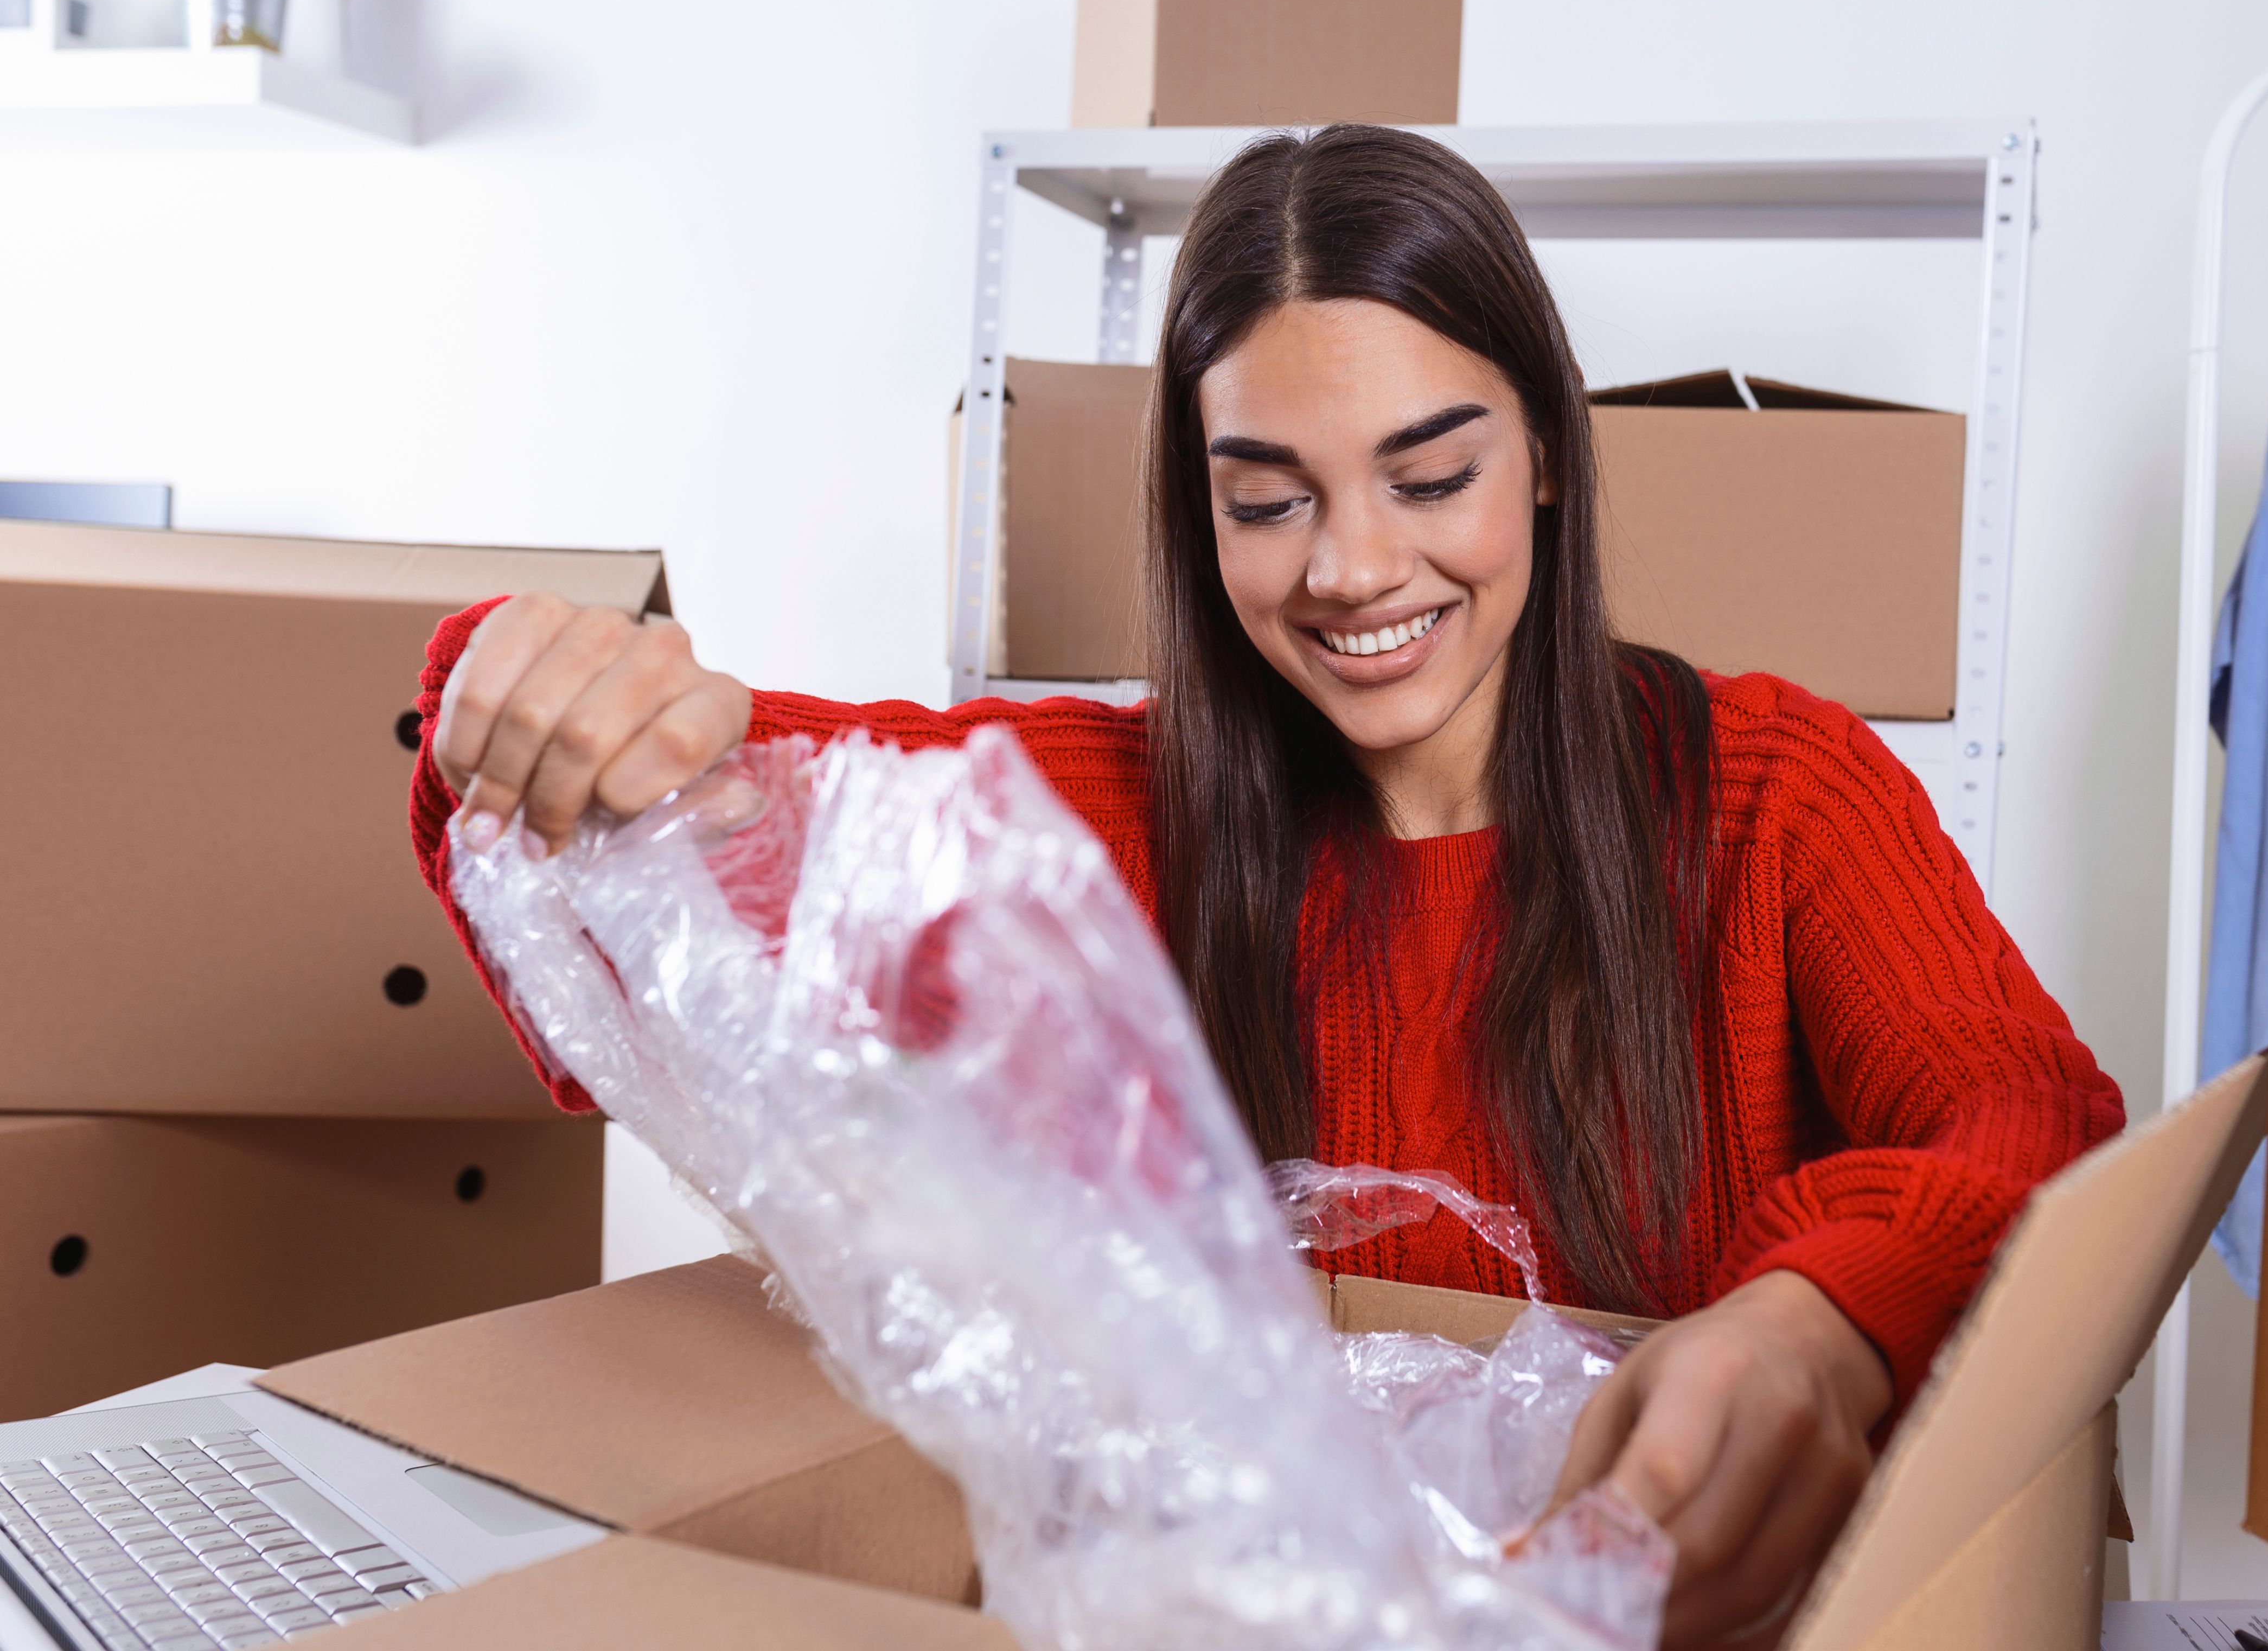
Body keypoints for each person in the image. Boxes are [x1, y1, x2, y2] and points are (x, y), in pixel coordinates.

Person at [409, 125, 2122, 1649]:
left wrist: (1820, 1323)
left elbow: (2027, 1110)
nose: (1354, 567)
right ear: (1197, 513)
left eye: (1431, 474)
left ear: (1547, 456)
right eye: (1266, 501)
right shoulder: (1117, 820)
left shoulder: (1774, 793)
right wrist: (543, 690)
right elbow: (740, 803)